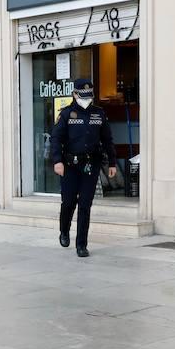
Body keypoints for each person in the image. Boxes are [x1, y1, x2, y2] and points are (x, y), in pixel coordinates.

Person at [48, 78, 118, 258]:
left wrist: (112, 162)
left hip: (91, 165)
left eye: (89, 96)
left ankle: (82, 245)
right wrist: (57, 161)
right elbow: (56, 139)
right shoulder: (66, 114)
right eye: (83, 96)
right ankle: (64, 230)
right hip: (70, 166)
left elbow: (107, 140)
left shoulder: (99, 114)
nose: (86, 99)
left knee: (85, 204)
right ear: (75, 94)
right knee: (69, 202)